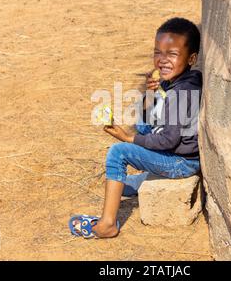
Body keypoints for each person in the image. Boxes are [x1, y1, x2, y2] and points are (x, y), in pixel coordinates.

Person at [69, 17, 202, 239]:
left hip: (181, 162)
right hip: (172, 151)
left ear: (192, 58)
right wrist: (150, 95)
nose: (162, 61)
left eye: (172, 54)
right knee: (141, 126)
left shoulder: (182, 93)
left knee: (118, 153)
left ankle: (107, 225)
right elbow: (150, 120)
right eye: (158, 52)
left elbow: (169, 140)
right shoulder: (177, 81)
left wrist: (128, 139)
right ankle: (131, 184)